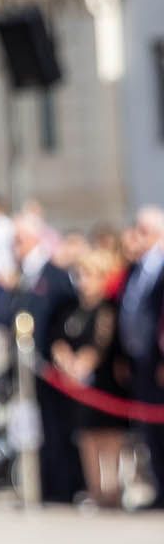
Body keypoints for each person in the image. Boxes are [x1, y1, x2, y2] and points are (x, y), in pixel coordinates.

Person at [10, 211, 83, 505]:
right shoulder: (24, 276)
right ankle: (43, 484)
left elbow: (65, 315)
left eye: (20, 240)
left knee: (57, 427)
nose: (16, 246)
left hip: (48, 367)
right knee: (35, 428)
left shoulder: (53, 274)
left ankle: (65, 486)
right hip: (26, 369)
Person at [55, 248, 127, 508]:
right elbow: (59, 338)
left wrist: (82, 364)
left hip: (105, 381)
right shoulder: (73, 308)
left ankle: (112, 490)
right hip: (77, 385)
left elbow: (101, 343)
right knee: (87, 437)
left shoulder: (107, 309)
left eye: (89, 274)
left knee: (109, 436)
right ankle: (95, 489)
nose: (83, 280)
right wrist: (66, 361)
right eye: (80, 274)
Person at [116, 205, 164, 509]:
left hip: (159, 362)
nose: (139, 235)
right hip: (139, 361)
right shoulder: (135, 268)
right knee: (150, 431)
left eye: (145, 230)